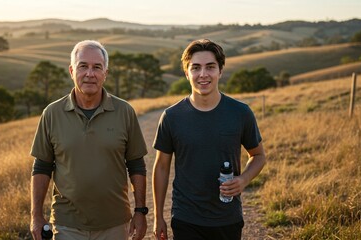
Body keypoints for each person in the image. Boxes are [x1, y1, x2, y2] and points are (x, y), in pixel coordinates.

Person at [30, 40, 149, 240]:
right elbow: (41, 167)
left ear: (106, 73)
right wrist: (36, 216)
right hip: (66, 224)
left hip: (115, 224)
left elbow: (137, 165)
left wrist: (140, 211)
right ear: (71, 70)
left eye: (97, 67)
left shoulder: (125, 111)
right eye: (83, 66)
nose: (90, 74)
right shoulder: (52, 113)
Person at [152, 39, 266, 240]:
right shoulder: (171, 116)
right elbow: (161, 167)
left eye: (210, 67)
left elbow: (258, 156)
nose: (203, 74)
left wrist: (244, 179)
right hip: (186, 218)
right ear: (187, 73)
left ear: (220, 71)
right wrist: (158, 216)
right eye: (195, 68)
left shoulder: (241, 113)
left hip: (227, 217)